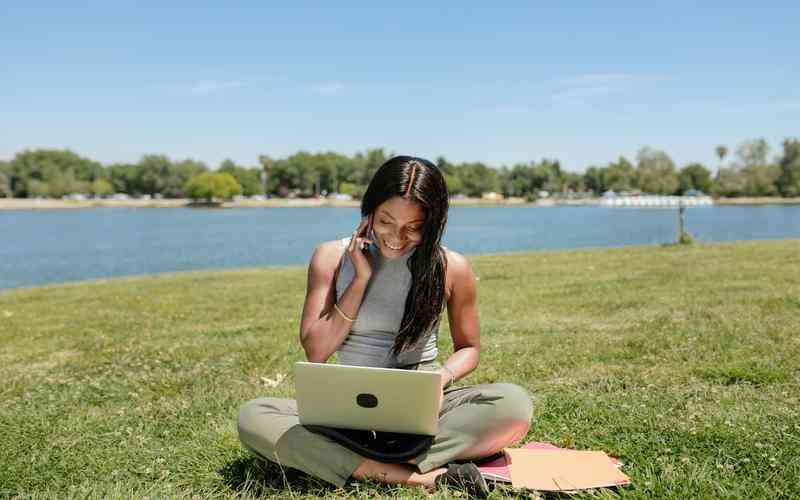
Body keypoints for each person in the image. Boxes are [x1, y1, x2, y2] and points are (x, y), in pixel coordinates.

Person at [237, 156, 533, 496]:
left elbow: (469, 348)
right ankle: (421, 476)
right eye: (385, 221)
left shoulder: (452, 267)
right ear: (369, 212)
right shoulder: (330, 257)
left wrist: (440, 380)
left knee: (513, 405)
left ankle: (348, 464)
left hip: (425, 407)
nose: (396, 237)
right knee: (255, 416)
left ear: (433, 222)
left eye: (413, 227)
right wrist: (360, 279)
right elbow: (316, 350)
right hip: (346, 412)